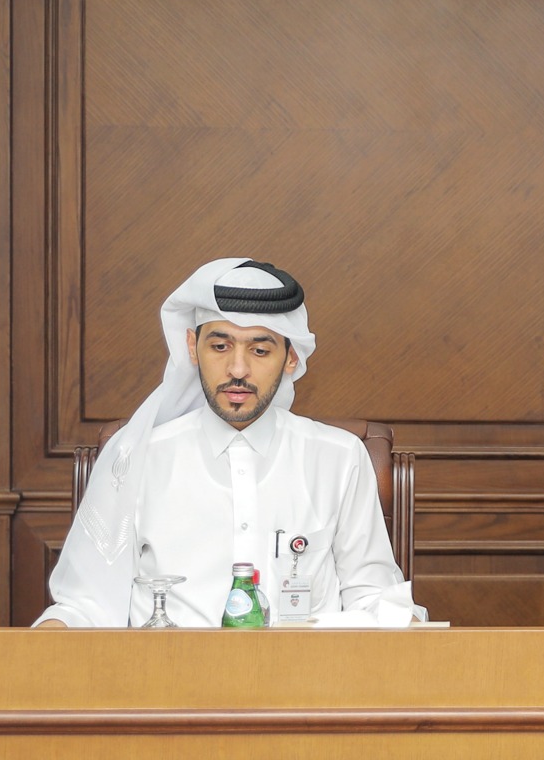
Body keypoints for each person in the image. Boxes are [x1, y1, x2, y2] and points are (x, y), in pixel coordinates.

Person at [36, 258, 423, 627]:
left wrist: (403, 624)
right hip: (169, 686)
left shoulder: (339, 458)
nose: (238, 370)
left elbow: (371, 596)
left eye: (259, 350)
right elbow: (86, 605)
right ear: (192, 347)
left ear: (290, 358)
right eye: (220, 347)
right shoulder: (137, 456)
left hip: (300, 686)